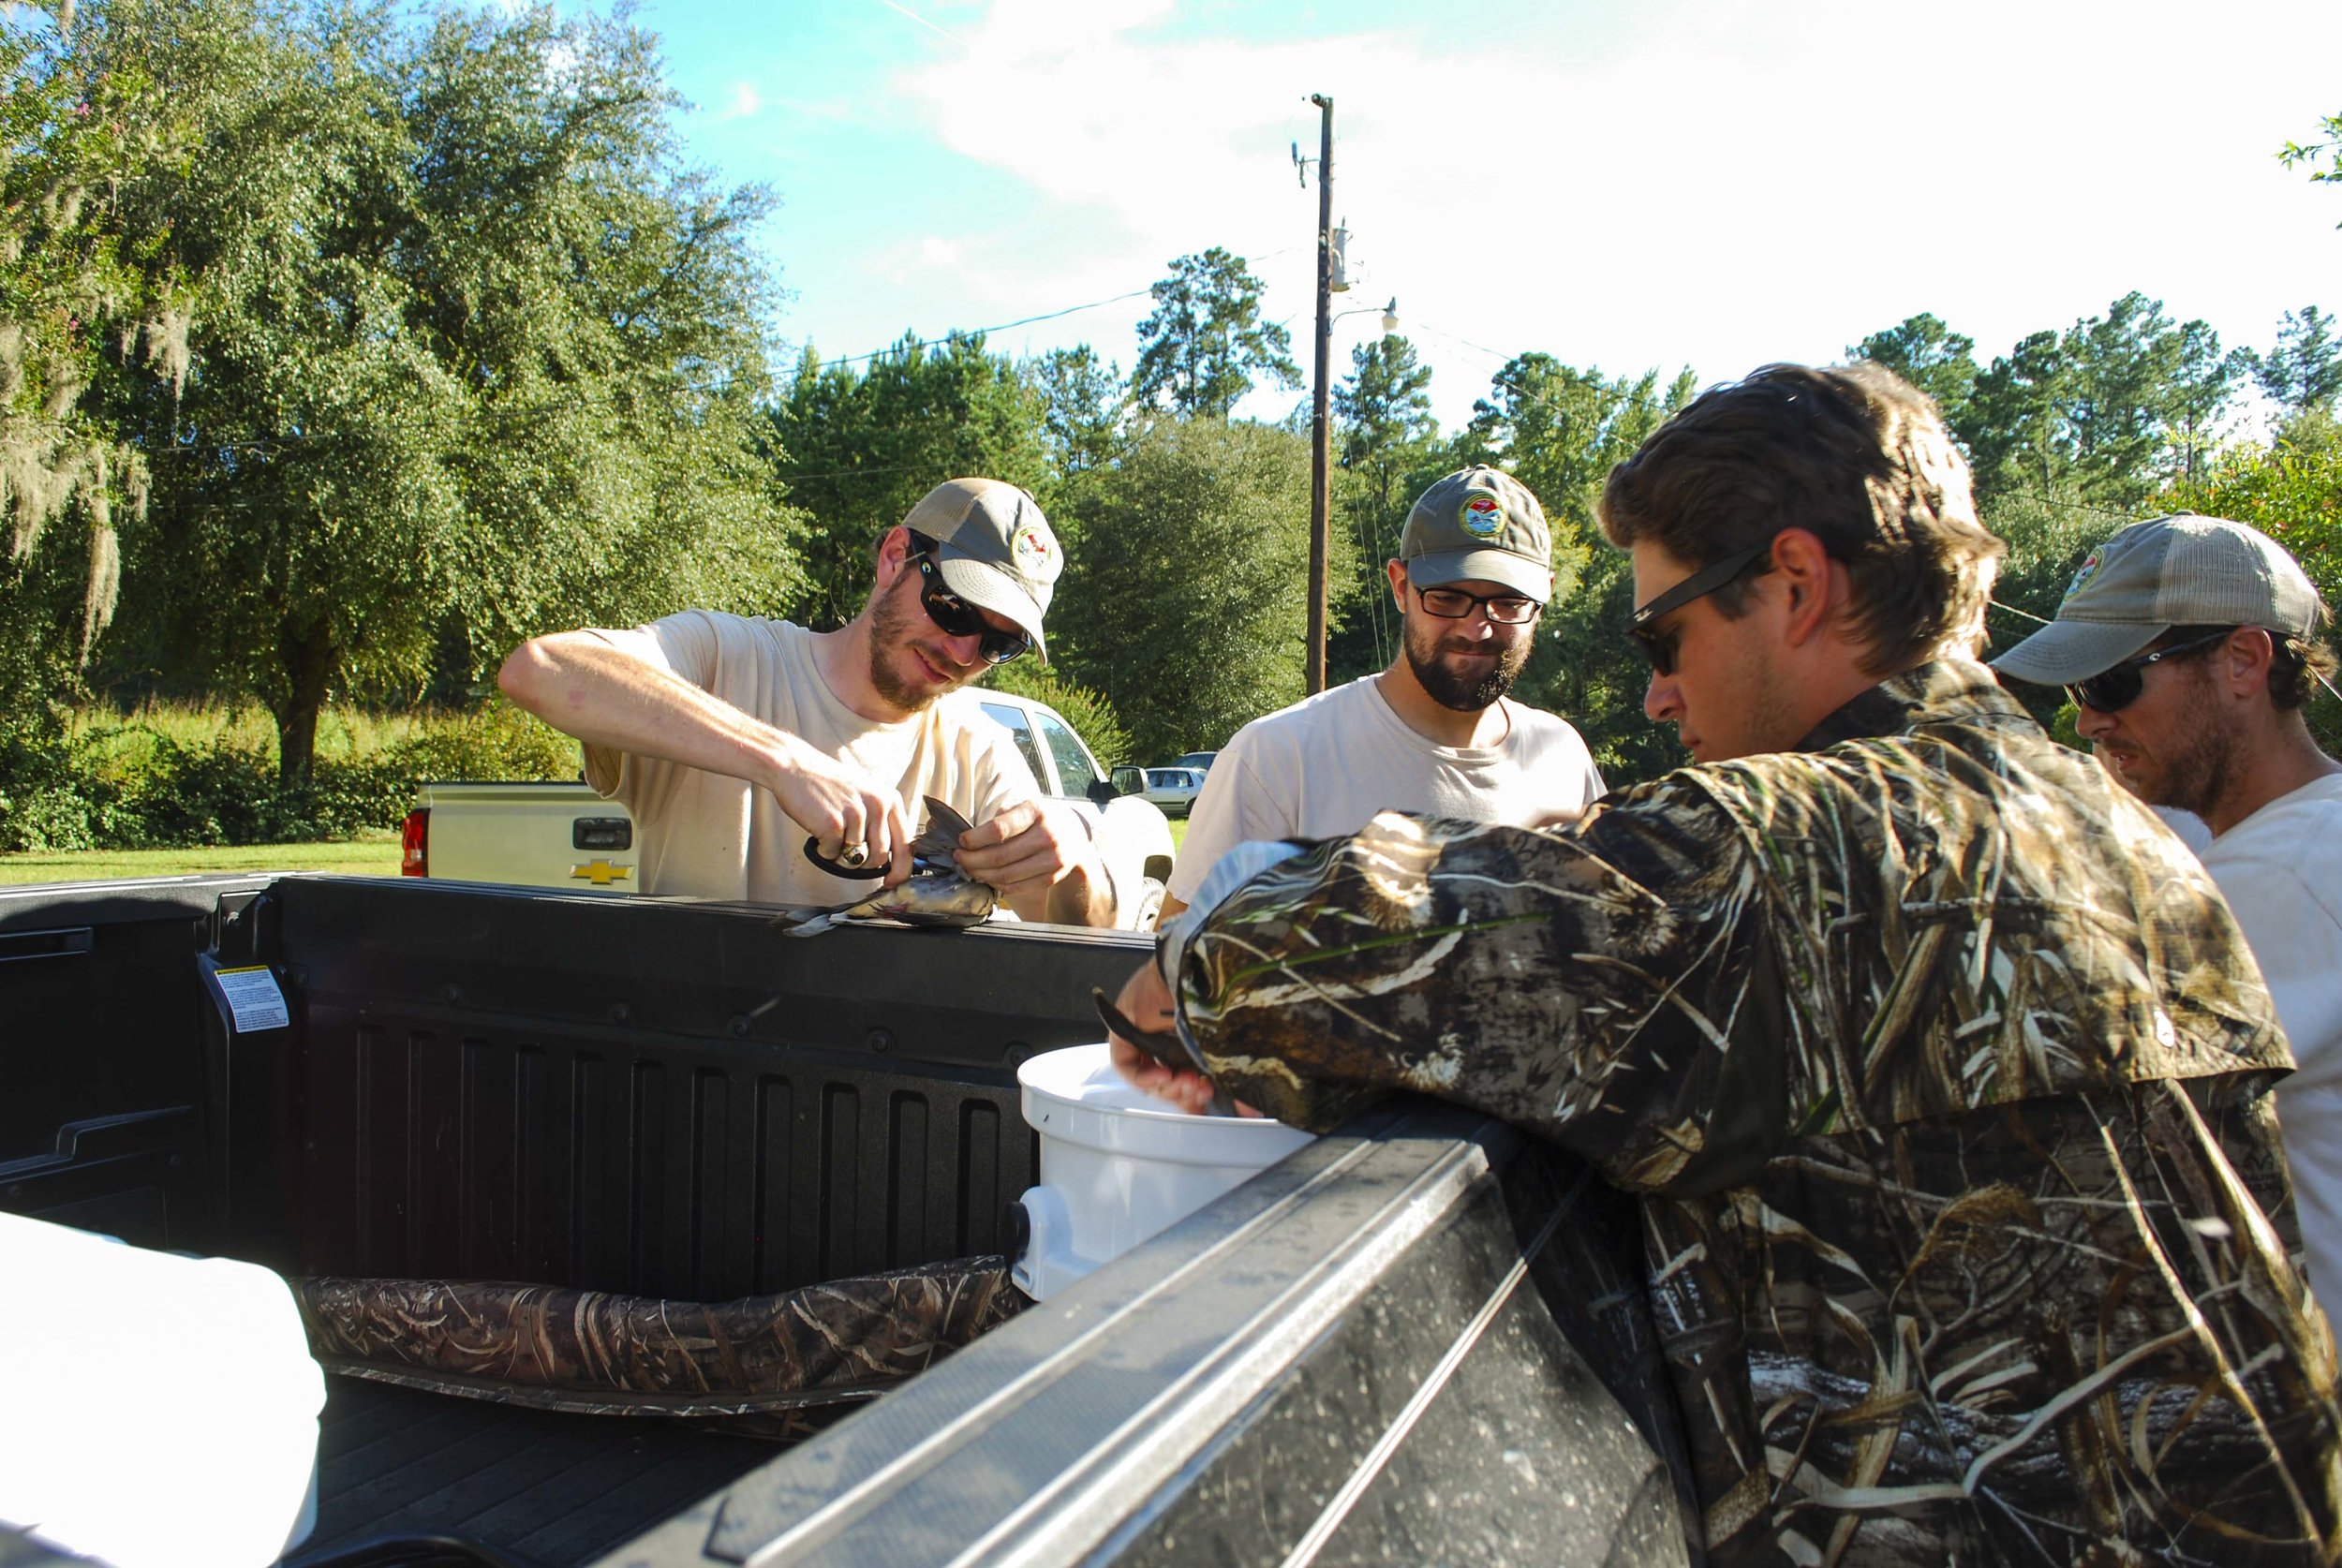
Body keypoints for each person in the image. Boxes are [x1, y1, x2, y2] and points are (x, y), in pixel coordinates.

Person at [1107, 364, 2342, 1564]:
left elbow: (1268, 954)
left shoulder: (1786, 846)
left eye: (1666, 632)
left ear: (1796, 583)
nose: (1653, 695)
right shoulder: (2132, 835)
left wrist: (1189, 945)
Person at [1994, 513, 2342, 1312]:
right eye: (2079, 690)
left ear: (2244, 661)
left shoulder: (2288, 872)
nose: (2087, 720)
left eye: (2113, 683)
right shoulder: (2237, 832)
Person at [499, 477, 1119, 925]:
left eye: (998, 643)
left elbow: (1075, 934)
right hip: (690, 1073)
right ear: (895, 557)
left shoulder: (977, 749)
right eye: (953, 609)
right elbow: (542, 669)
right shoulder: (729, 656)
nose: (963, 654)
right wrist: (785, 762)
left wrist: (1075, 867)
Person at [1162, 466, 1604, 923]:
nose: (1477, 628)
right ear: (1399, 585)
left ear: (1544, 597)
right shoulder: (1277, 761)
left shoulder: (1562, 758)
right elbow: (1172, 969)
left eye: (1508, 603)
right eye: (1448, 598)